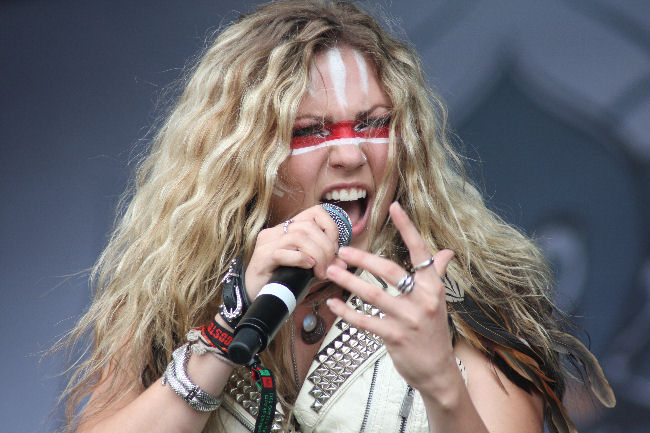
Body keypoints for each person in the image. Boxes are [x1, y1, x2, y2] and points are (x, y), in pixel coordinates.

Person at [57, 1, 615, 432]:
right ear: (241, 157)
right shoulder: (175, 295)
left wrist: (441, 381)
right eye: (309, 130)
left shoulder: (473, 298)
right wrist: (225, 329)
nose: (350, 154)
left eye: (372, 124)